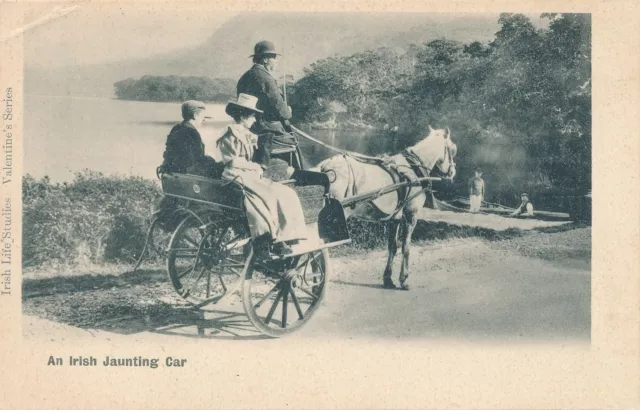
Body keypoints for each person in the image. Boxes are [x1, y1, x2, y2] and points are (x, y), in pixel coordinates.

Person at [217, 94, 313, 255]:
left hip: (248, 175)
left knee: (286, 193)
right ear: (242, 116)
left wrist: (255, 165)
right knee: (268, 196)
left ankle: (287, 236)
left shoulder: (245, 133)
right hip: (234, 176)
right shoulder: (228, 134)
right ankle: (271, 238)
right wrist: (254, 166)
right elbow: (231, 162)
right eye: (252, 116)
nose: (254, 120)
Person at [236, 40, 298, 167]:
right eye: (273, 57)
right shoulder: (266, 78)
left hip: (249, 126)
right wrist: (288, 111)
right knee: (294, 139)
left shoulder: (244, 77)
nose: (276, 61)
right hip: (266, 128)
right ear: (265, 59)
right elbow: (281, 110)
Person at [159, 100, 221, 178]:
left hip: (173, 170)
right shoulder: (192, 133)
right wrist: (211, 160)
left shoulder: (176, 128)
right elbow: (196, 160)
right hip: (187, 174)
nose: (204, 119)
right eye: (203, 116)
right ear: (195, 115)